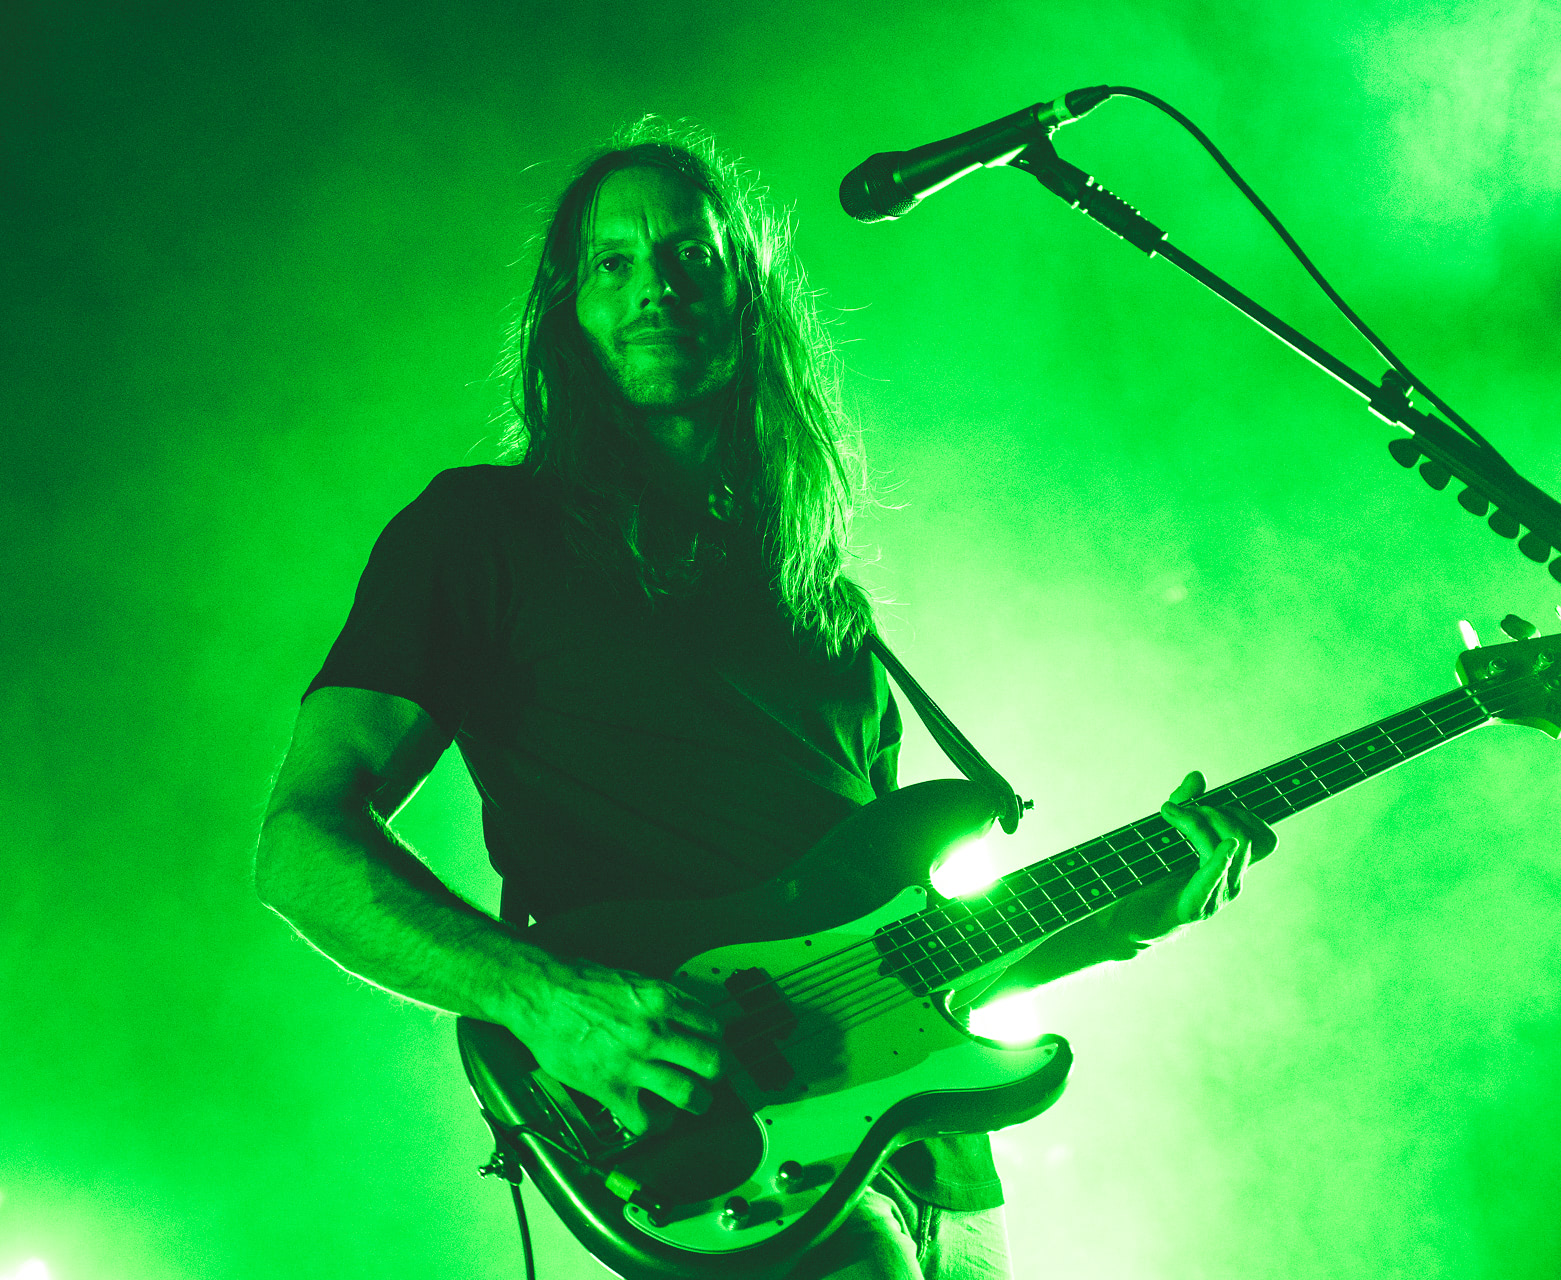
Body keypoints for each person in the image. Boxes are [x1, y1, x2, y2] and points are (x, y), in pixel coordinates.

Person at [254, 120, 1275, 1280]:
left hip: (933, 1165)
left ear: (748, 293)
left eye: (690, 256)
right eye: (613, 262)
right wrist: (543, 1001)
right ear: (567, 310)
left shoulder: (826, 606)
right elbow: (299, 846)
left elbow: (884, 961)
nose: (654, 287)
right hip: (715, 1137)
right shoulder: (479, 533)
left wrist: (1128, 916)